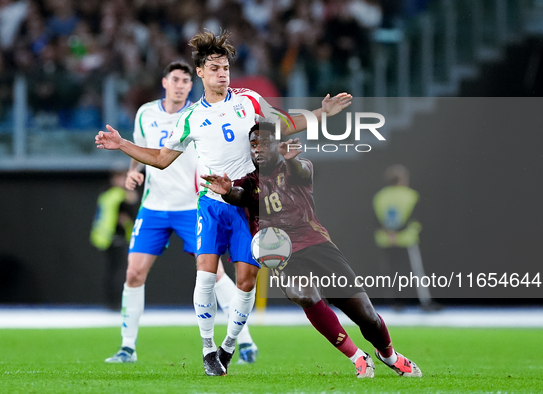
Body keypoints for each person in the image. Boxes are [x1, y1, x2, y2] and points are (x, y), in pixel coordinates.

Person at [95, 29, 352, 376]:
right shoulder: (190, 119)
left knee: (245, 280)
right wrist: (123, 144)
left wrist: (321, 113)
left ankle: (229, 345)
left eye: (226, 67)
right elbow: (160, 158)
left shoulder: (249, 100)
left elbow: (285, 123)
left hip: (248, 203)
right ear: (200, 72)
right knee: (206, 276)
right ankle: (206, 349)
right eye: (214, 68)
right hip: (211, 203)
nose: (222, 73)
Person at [201, 122, 422, 378]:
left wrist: (291, 160)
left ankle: (390, 356)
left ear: (277, 145)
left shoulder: (297, 167)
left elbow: (302, 171)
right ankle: (357, 357)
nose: (257, 149)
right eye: (253, 145)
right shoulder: (249, 181)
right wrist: (227, 191)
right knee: (303, 294)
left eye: (264, 143)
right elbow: (239, 195)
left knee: (367, 316)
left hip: (317, 245)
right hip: (282, 252)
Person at [104, 61, 258, 364]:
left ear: (192, 84)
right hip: (154, 206)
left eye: (185, 81)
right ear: (165, 82)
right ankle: (127, 347)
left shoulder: (200, 116)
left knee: (215, 276)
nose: (180, 85)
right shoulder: (146, 113)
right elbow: (144, 146)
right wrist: (133, 172)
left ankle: (245, 342)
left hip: (191, 205)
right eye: (175, 80)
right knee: (133, 273)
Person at [373, 164, 439, 311]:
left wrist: (389, 233)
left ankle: (395, 303)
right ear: (403, 179)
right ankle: (425, 302)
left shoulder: (380, 197)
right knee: (416, 272)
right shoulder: (411, 195)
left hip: (386, 240)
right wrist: (399, 233)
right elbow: (415, 217)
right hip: (406, 239)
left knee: (391, 273)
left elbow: (375, 219)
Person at [90, 169, 138, 310]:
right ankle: (115, 303)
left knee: (116, 271)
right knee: (116, 272)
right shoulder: (116, 195)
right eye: (120, 178)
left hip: (116, 237)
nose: (122, 181)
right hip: (113, 237)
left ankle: (116, 303)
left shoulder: (110, 195)